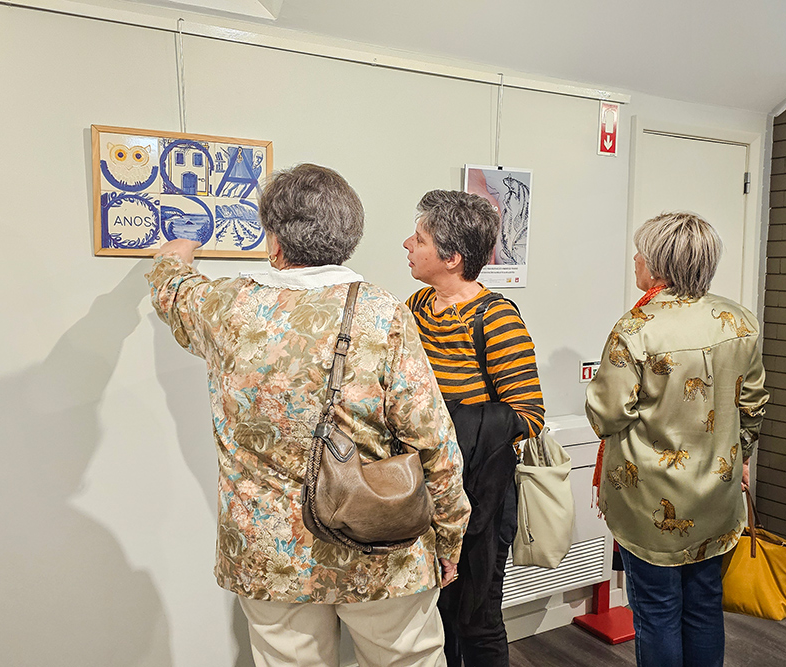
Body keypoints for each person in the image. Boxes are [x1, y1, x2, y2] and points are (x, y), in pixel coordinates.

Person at [146, 164, 470, 667]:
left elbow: (174, 291)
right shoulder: (383, 314)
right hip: (379, 547)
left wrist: (174, 258)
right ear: (348, 237)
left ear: (274, 241)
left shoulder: (227, 306)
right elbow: (433, 440)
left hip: (269, 553)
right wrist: (449, 533)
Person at [585, 212, 769, 667]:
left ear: (659, 264)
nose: (635, 259)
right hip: (717, 495)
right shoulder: (739, 322)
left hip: (650, 502)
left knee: (657, 613)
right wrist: (739, 455)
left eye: (641, 252)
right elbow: (754, 405)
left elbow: (607, 415)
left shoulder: (636, 329)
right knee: (705, 607)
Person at [402, 190, 545, 667]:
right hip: (426, 490)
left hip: (481, 495)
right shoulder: (418, 305)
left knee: (478, 619)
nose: (407, 244)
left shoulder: (496, 318)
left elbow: (529, 416)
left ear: (452, 257)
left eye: (419, 239)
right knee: (435, 616)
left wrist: (447, 419)